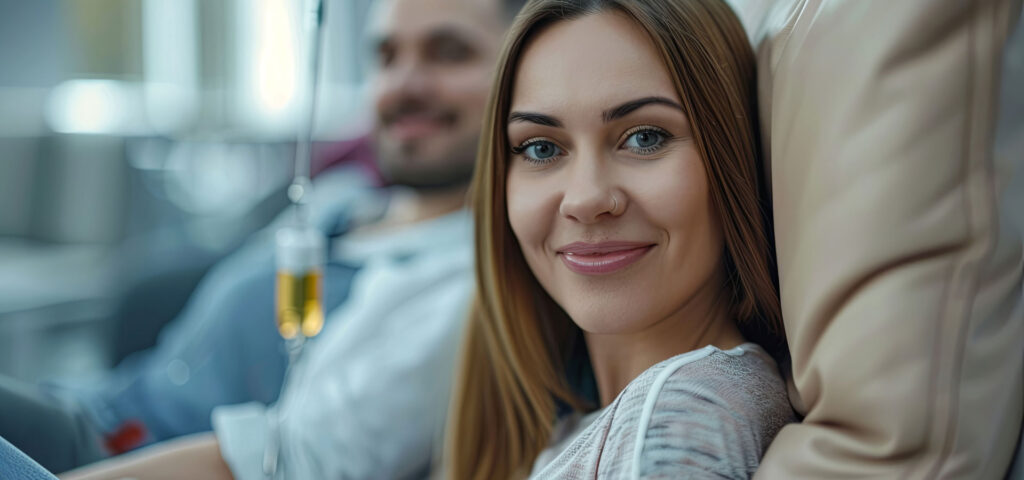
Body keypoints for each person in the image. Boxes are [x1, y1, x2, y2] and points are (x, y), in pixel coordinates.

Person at [45, 0, 524, 478]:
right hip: (95, 402)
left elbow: (295, 460)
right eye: (386, 56)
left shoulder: (464, 278)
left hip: (127, 456)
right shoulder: (336, 200)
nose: (403, 84)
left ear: (524, 77)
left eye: (450, 53)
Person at [445, 0, 795, 478]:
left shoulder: (681, 414)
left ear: (731, 156)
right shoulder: (566, 418)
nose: (586, 199)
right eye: (541, 148)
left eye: (645, 137)